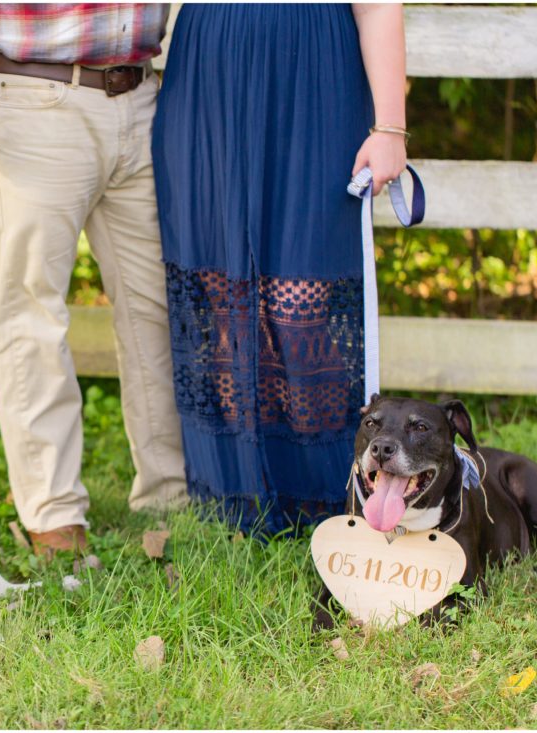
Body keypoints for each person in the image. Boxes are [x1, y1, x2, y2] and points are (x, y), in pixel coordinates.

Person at [0, 4, 188, 556]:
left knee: (160, 307)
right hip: (33, 97)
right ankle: (53, 511)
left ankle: (168, 493)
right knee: (32, 311)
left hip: (144, 98)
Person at [151, 4, 409, 536]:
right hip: (209, 67)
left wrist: (390, 127)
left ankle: (325, 492)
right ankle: (229, 491)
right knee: (218, 288)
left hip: (315, 70)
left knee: (305, 292)